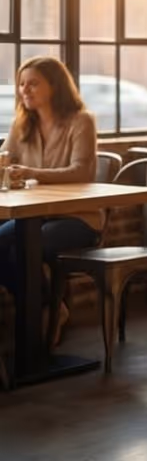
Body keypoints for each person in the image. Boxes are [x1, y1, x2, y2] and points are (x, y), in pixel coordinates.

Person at [0, 57, 100, 339]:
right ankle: (48, 307)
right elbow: (4, 162)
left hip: (78, 218)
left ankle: (40, 319)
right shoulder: (20, 125)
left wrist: (31, 172)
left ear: (54, 86)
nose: (25, 90)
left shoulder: (81, 121)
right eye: (21, 84)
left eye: (33, 83)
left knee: (20, 246)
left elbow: (80, 171)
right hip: (34, 215)